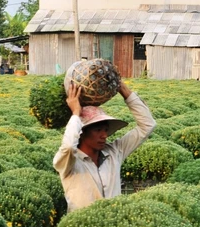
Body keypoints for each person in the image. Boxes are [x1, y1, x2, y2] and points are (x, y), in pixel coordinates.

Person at [54, 80, 156, 213]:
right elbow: (68, 146)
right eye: (98, 130)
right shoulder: (70, 161)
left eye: (105, 130)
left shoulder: (115, 152)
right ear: (82, 132)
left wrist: (124, 91)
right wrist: (75, 114)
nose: (104, 135)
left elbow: (148, 125)